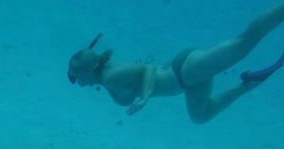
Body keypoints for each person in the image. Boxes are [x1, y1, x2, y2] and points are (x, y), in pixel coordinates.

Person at [67, 3, 284, 124]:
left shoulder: (109, 76)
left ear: (90, 70)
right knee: (201, 116)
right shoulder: (107, 76)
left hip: (186, 71)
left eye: (76, 74)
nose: (76, 80)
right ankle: (249, 83)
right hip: (187, 81)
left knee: (243, 42)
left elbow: (146, 70)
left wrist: (145, 97)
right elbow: (142, 71)